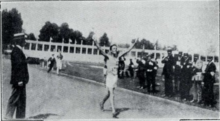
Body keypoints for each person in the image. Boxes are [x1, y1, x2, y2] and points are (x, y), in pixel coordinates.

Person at [93, 37, 138, 118]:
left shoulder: (118, 56)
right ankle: (113, 111)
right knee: (112, 94)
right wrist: (96, 42)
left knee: (109, 93)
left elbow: (128, 50)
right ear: (111, 49)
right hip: (109, 76)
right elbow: (100, 50)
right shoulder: (107, 56)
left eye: (115, 48)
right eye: (113, 48)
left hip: (115, 77)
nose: (115, 49)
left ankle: (102, 102)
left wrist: (134, 44)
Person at [5, 33, 29, 119]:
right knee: (14, 99)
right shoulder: (16, 51)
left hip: (21, 80)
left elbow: (23, 63)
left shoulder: (19, 50)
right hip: (19, 80)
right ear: (20, 40)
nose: (25, 41)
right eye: (24, 40)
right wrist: (19, 80)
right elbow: (18, 66)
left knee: (21, 101)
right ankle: (7, 117)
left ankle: (20, 118)